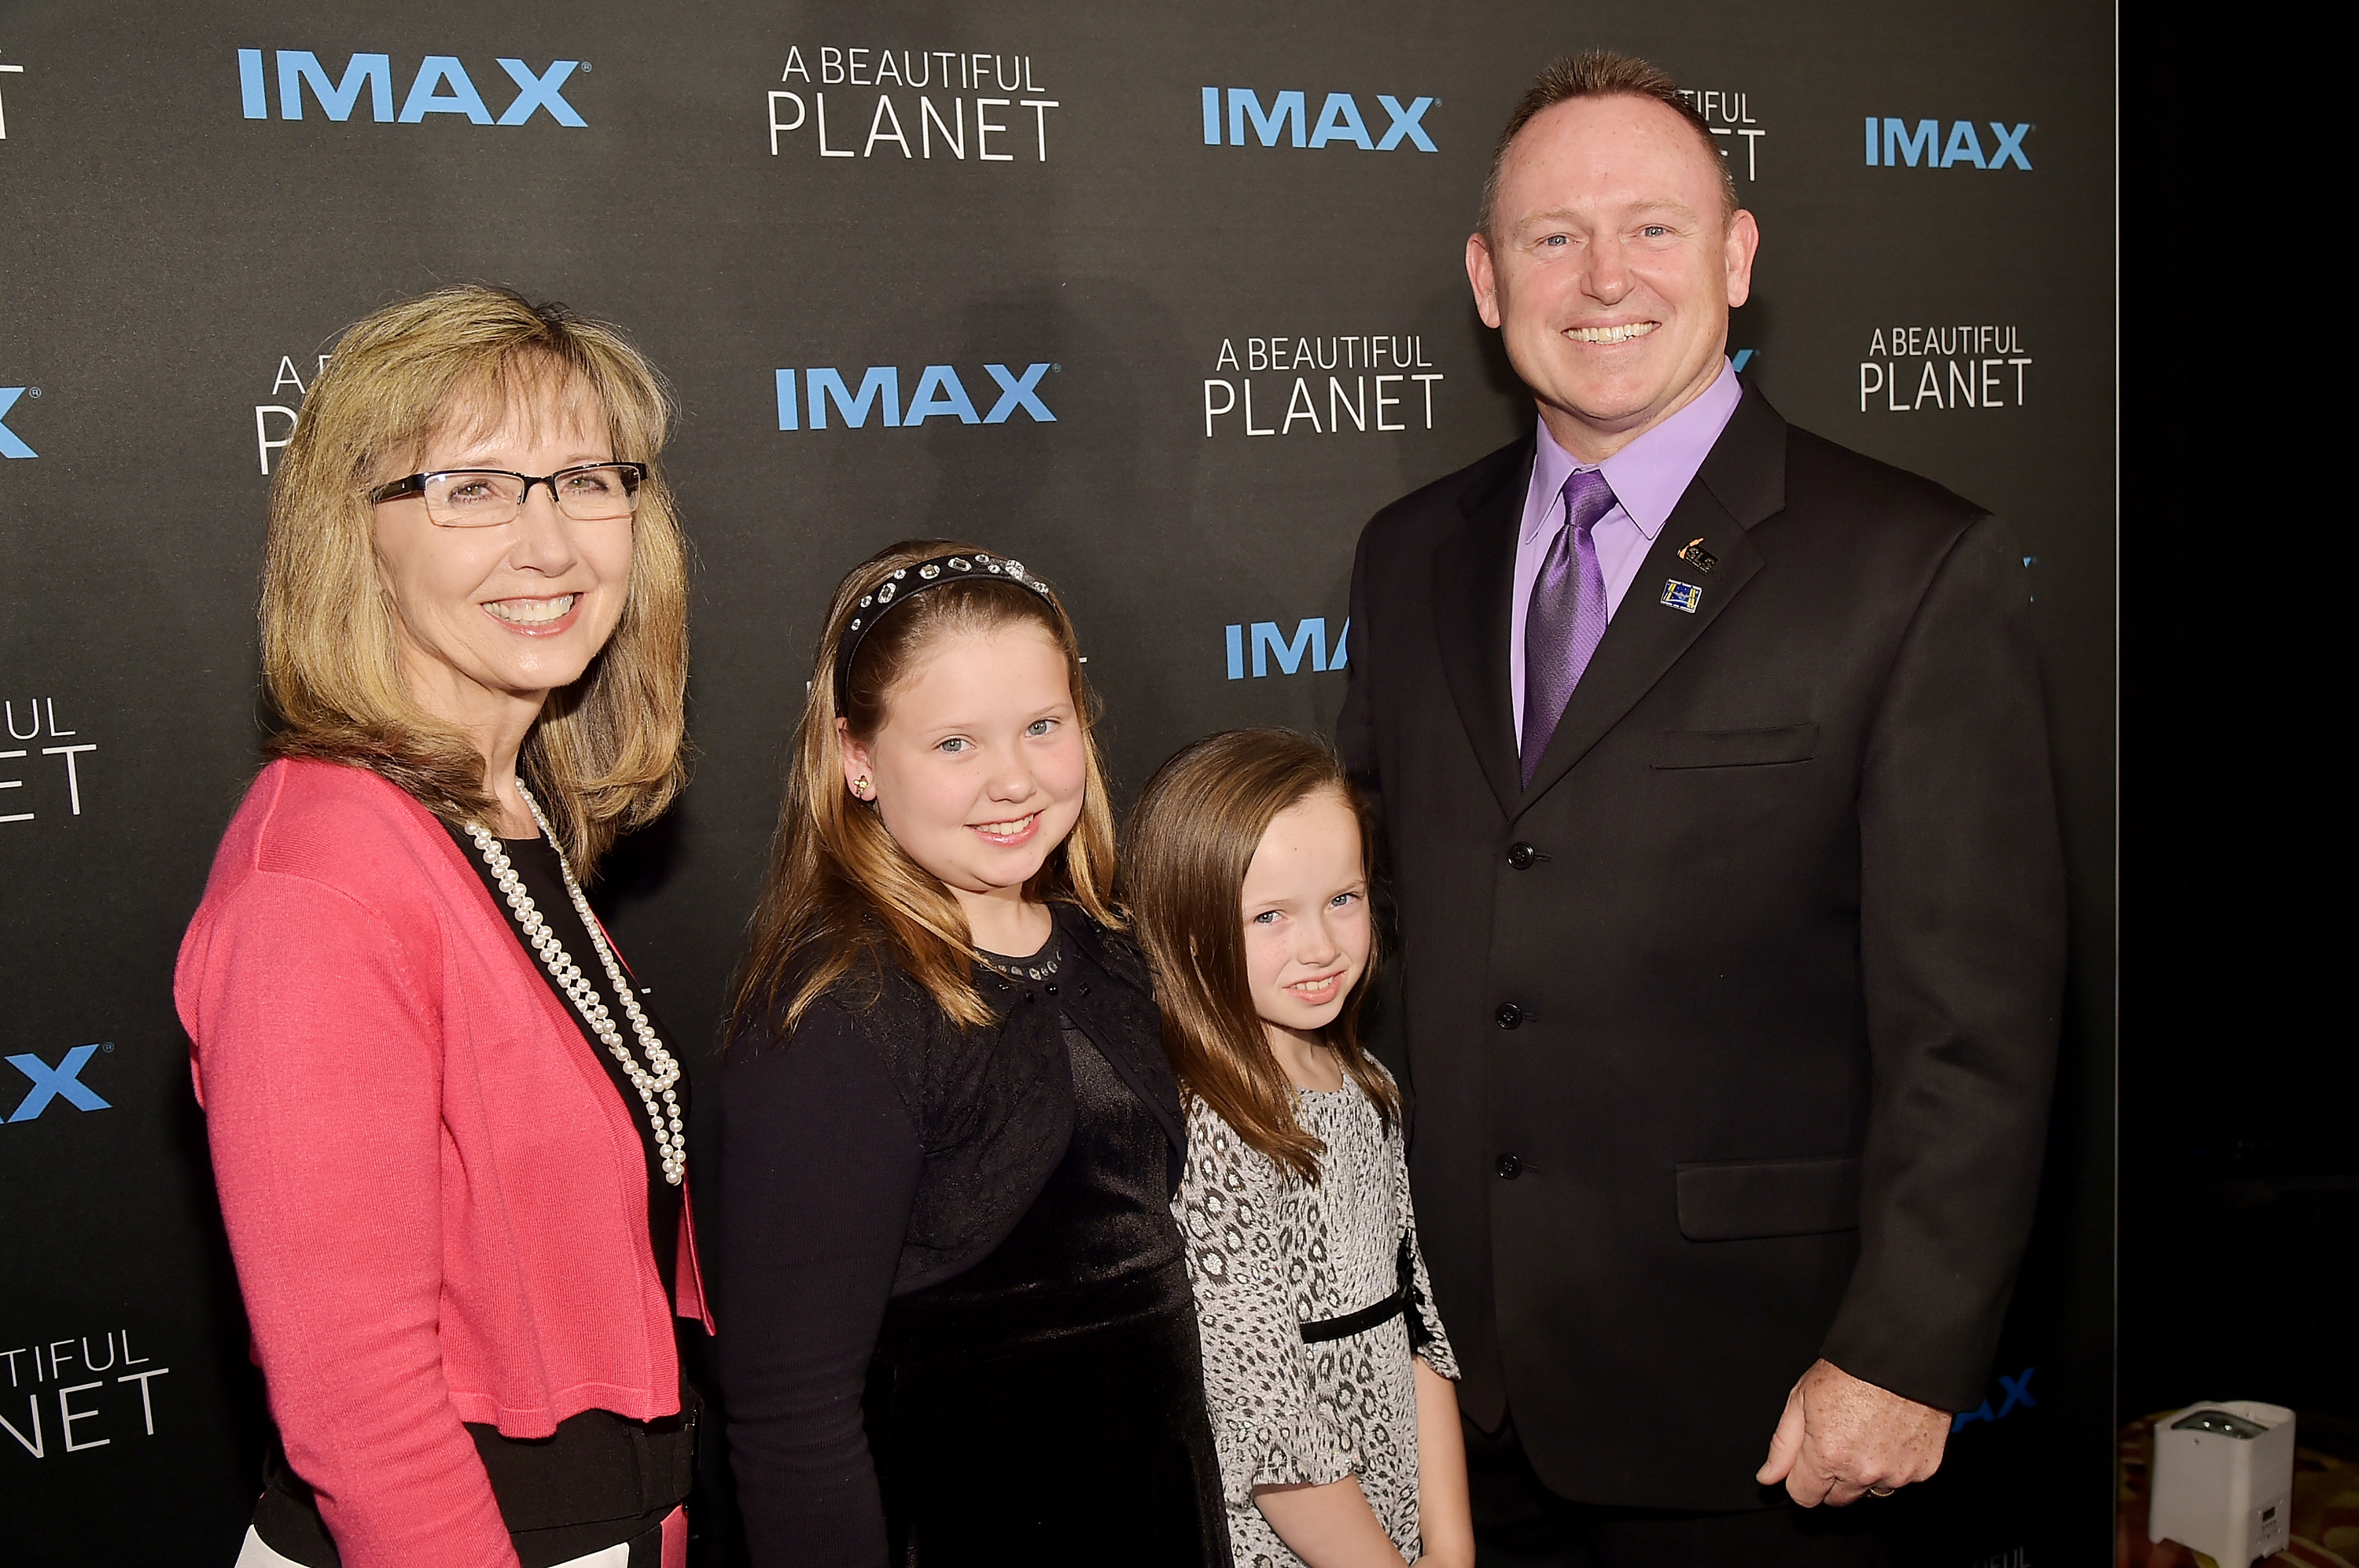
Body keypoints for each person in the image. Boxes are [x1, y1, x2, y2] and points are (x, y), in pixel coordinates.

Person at [1334, 50, 2067, 1566]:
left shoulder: (1911, 566)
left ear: (1736, 255)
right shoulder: (1409, 555)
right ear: (1488, 278)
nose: (1604, 275)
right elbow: (1382, 921)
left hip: (1766, 1410)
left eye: (1654, 227)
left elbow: (1976, 1018)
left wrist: (1906, 1348)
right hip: (1452, 1398)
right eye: (1553, 237)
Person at [175, 285, 708, 1568]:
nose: (550, 543)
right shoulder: (319, 876)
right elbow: (361, 1411)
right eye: (472, 487)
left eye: (586, 478)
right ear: (356, 536)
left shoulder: (506, 810)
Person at [714, 541, 1228, 1568]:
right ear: (856, 759)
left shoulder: (1111, 954)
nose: (1014, 780)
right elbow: (791, 1423)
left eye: (1042, 726)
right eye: (955, 744)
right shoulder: (836, 1015)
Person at [1126, 728, 1476, 1568]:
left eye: (1343, 899)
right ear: (1191, 927)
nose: (1320, 946)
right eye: (1270, 915)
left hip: (1397, 1520)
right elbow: (1265, 1427)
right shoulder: (1215, 1127)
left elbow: (1417, 1319)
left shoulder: (1368, 1085)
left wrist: (1452, 1542)